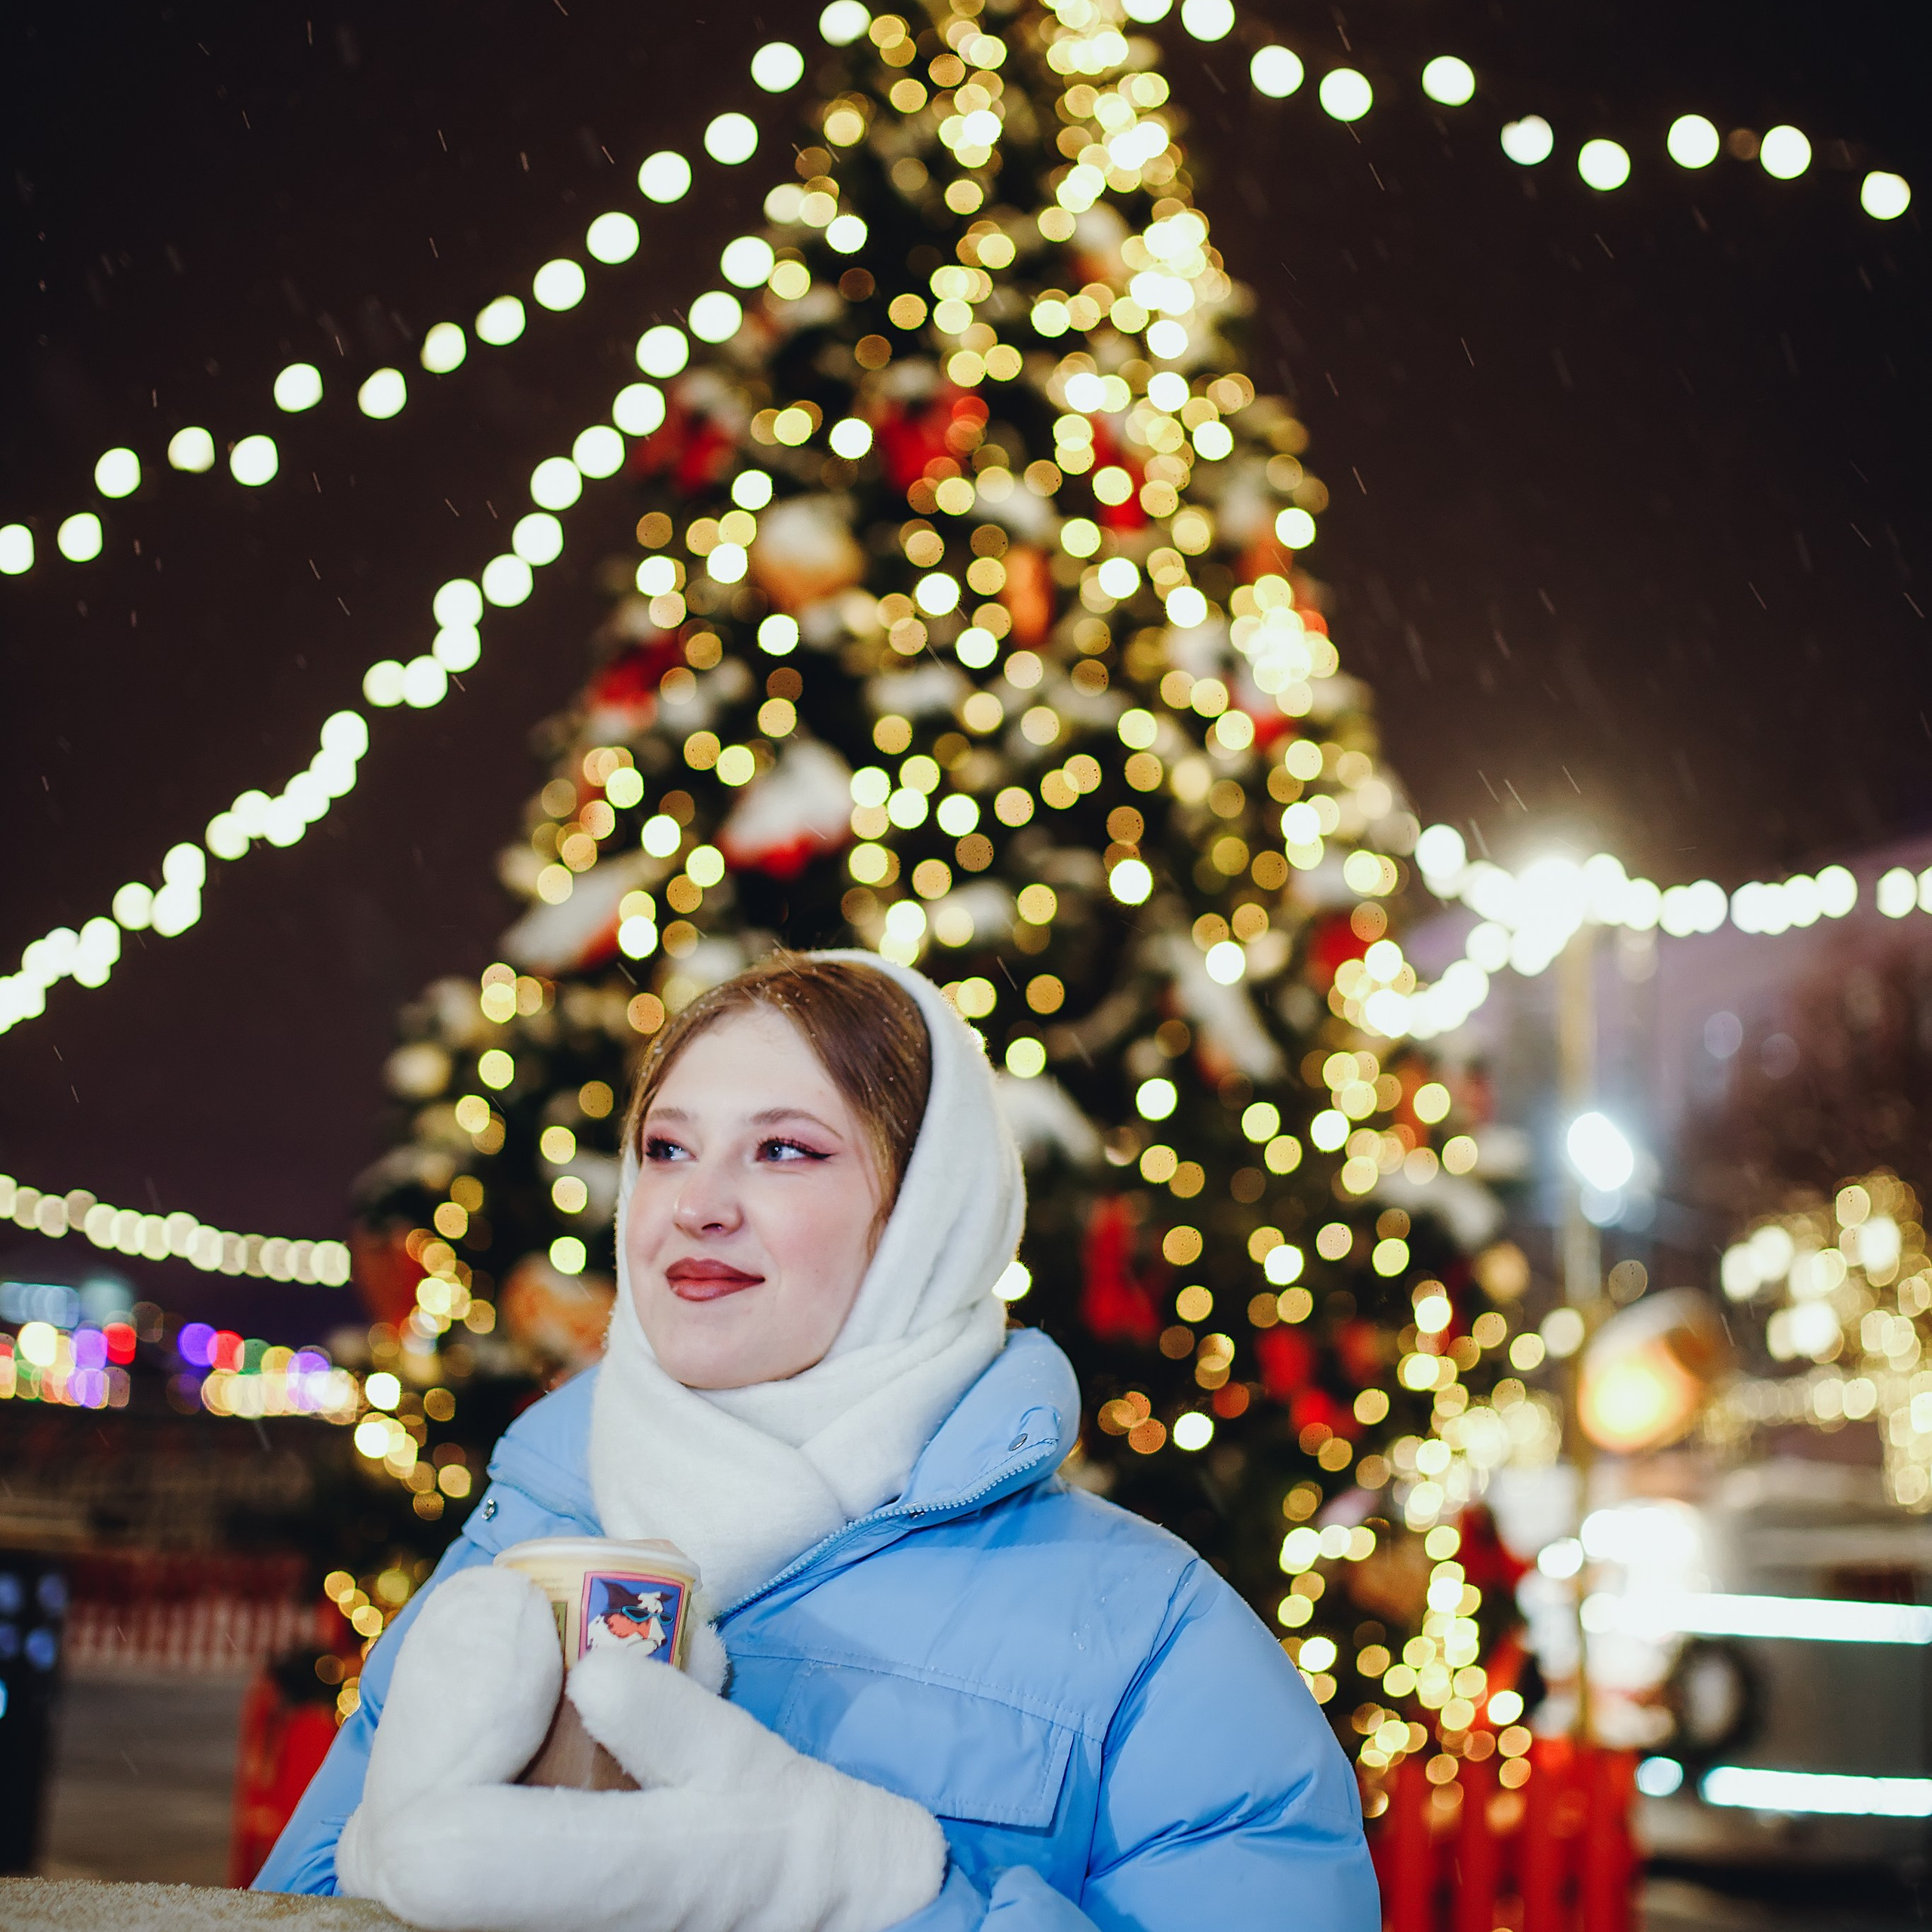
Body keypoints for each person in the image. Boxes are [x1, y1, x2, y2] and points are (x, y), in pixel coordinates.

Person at [257, 950, 1378, 1930]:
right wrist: (384, 1863)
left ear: (924, 1218)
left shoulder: (1150, 1639)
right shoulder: (519, 1548)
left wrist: (862, 1891)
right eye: (665, 1147)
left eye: (785, 1151)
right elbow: (287, 1905)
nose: (697, 1204)